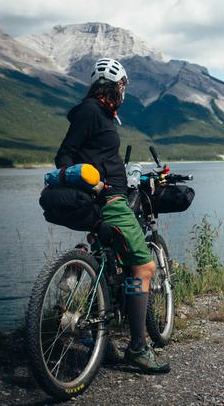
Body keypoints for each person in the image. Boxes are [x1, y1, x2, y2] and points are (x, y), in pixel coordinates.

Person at [54, 57, 170, 374]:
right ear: (116, 86)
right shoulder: (92, 112)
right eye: (123, 86)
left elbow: (89, 156)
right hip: (110, 200)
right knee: (143, 266)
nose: (124, 92)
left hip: (108, 194)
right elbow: (64, 155)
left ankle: (102, 343)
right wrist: (87, 181)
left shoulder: (99, 114)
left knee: (109, 261)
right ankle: (138, 348)